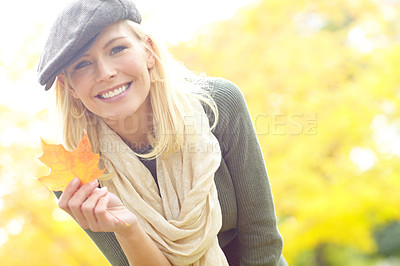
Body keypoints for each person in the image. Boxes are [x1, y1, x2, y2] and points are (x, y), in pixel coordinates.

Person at [37, 0, 287, 265]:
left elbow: (262, 239)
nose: (106, 73)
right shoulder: (77, 176)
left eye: (117, 49)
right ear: (70, 87)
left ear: (149, 51)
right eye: (82, 64)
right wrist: (129, 229)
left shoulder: (218, 105)